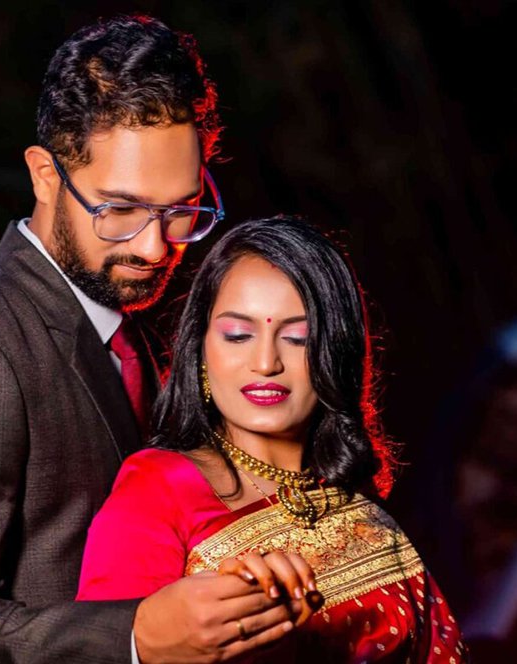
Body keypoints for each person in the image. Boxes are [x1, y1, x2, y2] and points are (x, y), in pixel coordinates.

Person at [0, 16, 305, 663]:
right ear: (45, 175)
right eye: (120, 210)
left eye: (182, 210)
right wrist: (136, 638)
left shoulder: (146, 324)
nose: (154, 247)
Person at [77, 216, 470, 662]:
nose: (266, 363)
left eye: (298, 339)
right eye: (238, 335)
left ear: (334, 353)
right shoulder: (160, 487)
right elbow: (105, 652)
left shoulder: (353, 501)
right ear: (200, 350)